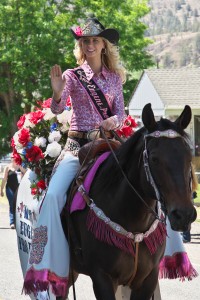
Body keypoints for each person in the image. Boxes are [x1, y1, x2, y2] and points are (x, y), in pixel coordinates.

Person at [23, 17, 126, 298]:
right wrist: (57, 94)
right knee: (54, 196)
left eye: (94, 40)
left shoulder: (115, 78)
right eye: (85, 41)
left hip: (108, 143)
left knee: (145, 180)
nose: (90, 45)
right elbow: (57, 109)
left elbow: (122, 113)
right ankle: (46, 265)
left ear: (104, 45)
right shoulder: (71, 76)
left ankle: (156, 251)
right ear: (81, 46)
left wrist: (114, 120)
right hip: (77, 148)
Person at [0, 158, 25, 229]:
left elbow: (25, 173)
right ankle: (12, 222)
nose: (13, 159)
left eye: (14, 157)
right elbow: (4, 179)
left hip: (19, 189)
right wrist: (1, 190)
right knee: (12, 204)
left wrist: (20, 167)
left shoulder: (20, 166)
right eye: (12, 158)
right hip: (9, 189)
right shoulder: (7, 167)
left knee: (18, 205)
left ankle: (18, 221)